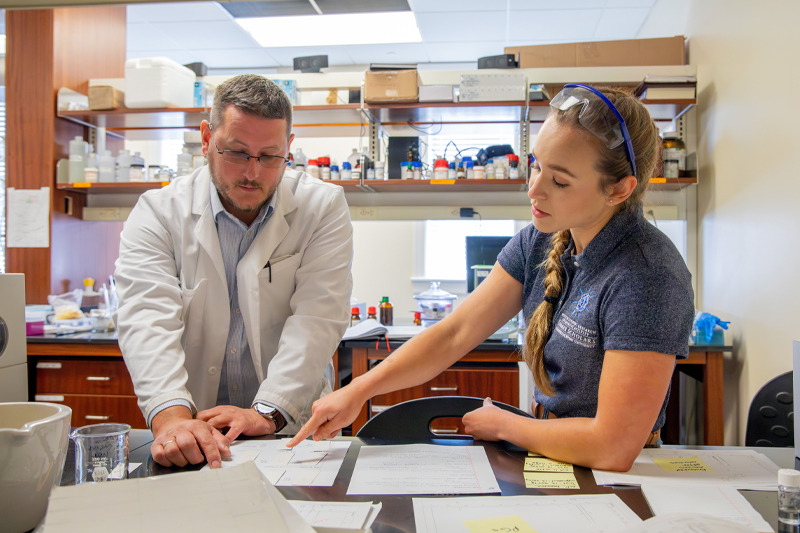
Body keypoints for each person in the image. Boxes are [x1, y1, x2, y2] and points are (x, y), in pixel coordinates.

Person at [289, 85, 694, 471]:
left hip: (615, 469)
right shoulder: (540, 239)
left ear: (619, 189)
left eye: (560, 181)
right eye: (536, 165)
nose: (534, 190)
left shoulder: (648, 275)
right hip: (550, 449)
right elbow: (455, 332)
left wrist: (504, 425)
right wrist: (360, 389)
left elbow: (613, 445)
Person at [115, 74, 353, 469]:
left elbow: (317, 318)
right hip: (199, 433)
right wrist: (172, 418)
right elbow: (147, 318)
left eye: (270, 156)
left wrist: (268, 411)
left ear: (289, 148)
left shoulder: (322, 207)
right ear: (208, 138)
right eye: (238, 153)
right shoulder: (158, 212)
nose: (253, 173)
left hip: (289, 427)